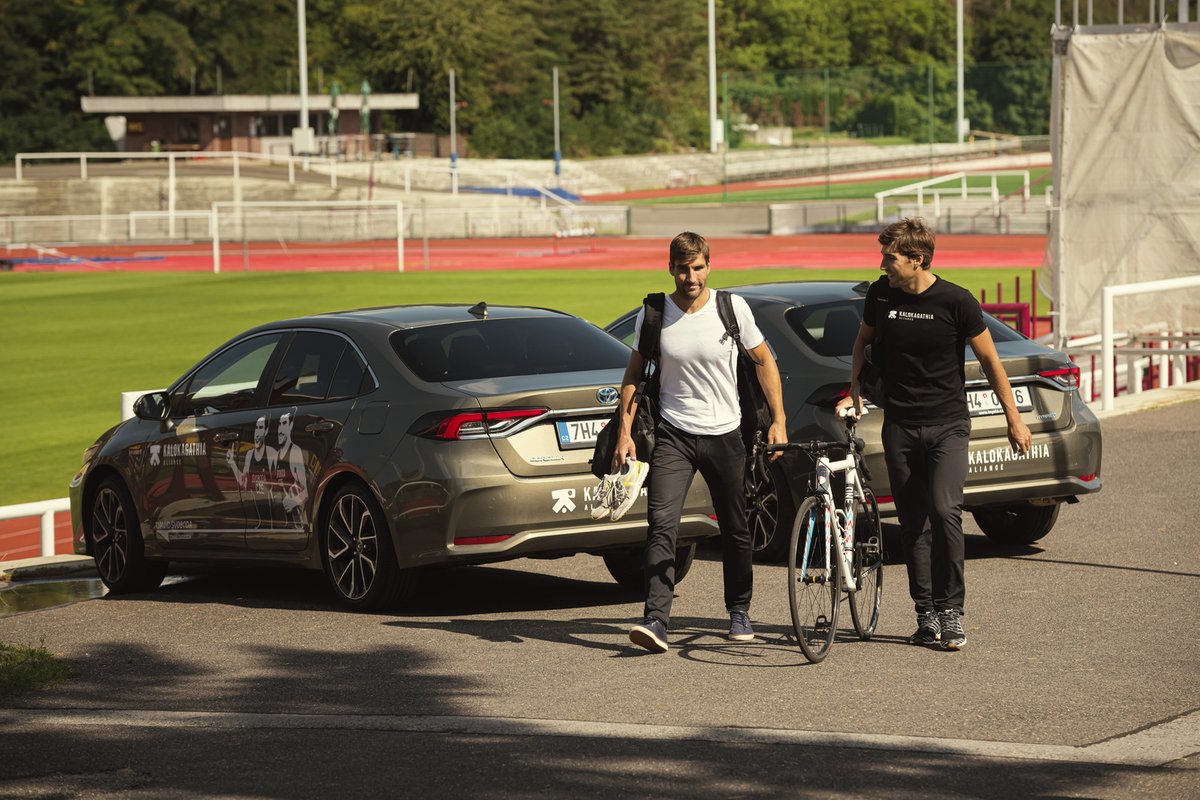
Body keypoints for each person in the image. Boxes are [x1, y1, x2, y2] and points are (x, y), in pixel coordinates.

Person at [837, 218, 1032, 651]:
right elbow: (862, 342)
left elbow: (990, 361)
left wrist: (1013, 417)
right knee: (913, 522)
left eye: (890, 258)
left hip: (947, 424)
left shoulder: (956, 301)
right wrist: (855, 390)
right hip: (900, 426)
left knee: (945, 510)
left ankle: (952, 612)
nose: (883, 264)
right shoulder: (880, 294)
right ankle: (925, 613)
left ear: (916, 259)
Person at [617, 231, 787, 653]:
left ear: (709, 266)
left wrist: (779, 420)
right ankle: (656, 619)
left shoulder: (732, 309)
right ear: (670, 266)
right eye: (681, 267)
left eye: (697, 267)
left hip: (727, 432)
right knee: (662, 524)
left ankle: (739, 609)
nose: (690, 276)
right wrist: (624, 432)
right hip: (674, 433)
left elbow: (764, 360)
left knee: (736, 527)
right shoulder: (654, 312)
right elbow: (634, 375)